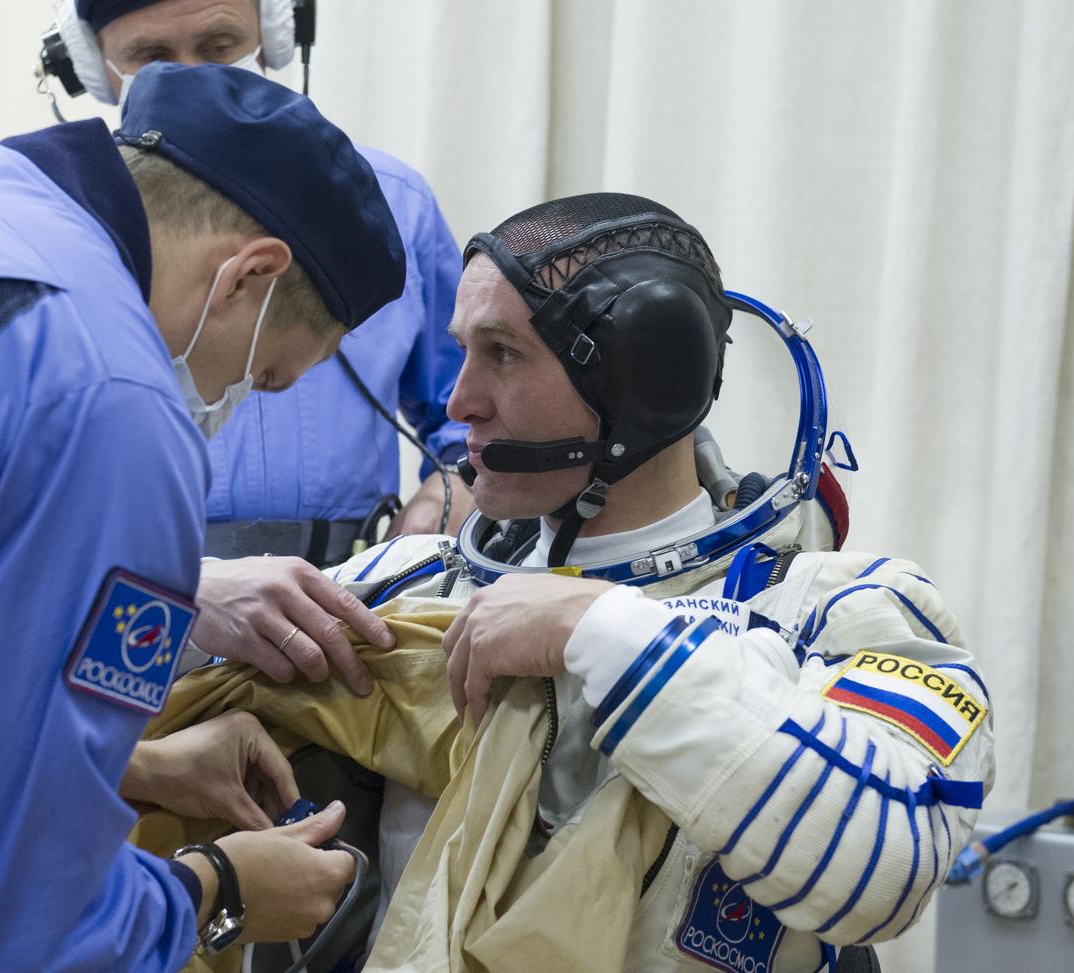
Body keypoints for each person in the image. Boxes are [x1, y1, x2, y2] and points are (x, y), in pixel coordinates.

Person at [135, 193, 995, 972]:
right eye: (463, 353)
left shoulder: (838, 608)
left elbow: (888, 860)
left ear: (642, 381)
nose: (462, 400)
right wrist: (189, 597)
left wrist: (600, 628)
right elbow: (58, 726)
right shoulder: (409, 581)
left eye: (502, 354)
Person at [0, 63, 407, 971]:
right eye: (263, 376)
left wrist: (130, 767)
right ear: (250, 273)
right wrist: (218, 890)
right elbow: (4, 926)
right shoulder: (112, 404)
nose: (232, 400)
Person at [43, 0, 475, 568]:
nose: (189, 77)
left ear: (275, 36)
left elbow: (470, 409)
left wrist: (451, 490)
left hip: (344, 584)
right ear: (92, 68)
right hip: (136, 579)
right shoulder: (52, 218)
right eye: (151, 57)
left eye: (220, 46)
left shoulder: (391, 204)